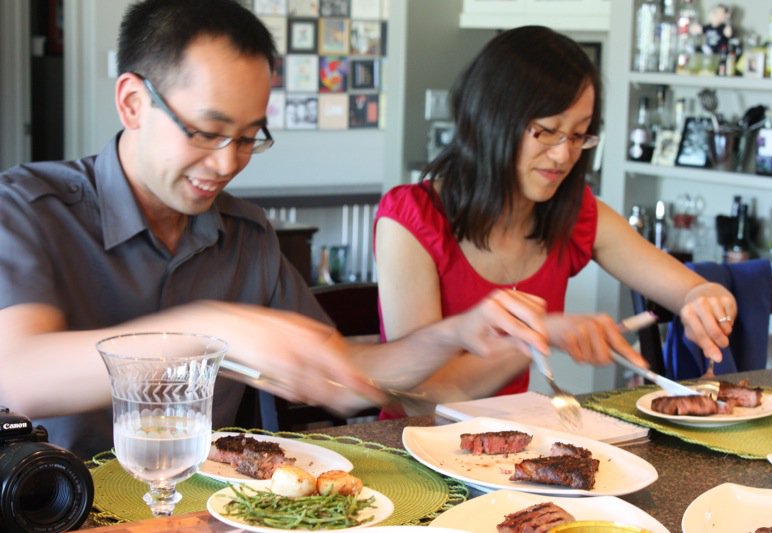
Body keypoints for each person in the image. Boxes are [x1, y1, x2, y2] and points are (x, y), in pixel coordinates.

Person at [0, 0, 550, 459]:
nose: (226, 163)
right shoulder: (29, 209)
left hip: (206, 504)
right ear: (133, 103)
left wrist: (452, 334)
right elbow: (18, 375)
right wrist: (212, 331)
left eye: (247, 138)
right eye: (207, 132)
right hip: (56, 504)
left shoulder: (245, 235)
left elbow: (345, 372)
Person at [374, 26, 737, 416]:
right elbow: (422, 399)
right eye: (546, 132)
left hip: (513, 439)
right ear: (491, 120)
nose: (564, 156)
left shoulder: (574, 215)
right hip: (406, 444)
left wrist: (707, 301)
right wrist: (539, 335)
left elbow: (695, 290)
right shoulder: (411, 219)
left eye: (579, 135)